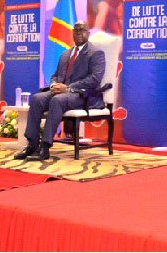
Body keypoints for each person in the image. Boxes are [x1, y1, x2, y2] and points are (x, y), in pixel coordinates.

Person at [14, 21, 106, 161]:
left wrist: (68, 88)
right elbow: (55, 75)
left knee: (57, 100)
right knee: (37, 99)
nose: (79, 33)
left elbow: (94, 79)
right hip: (61, 92)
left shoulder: (96, 53)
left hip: (82, 95)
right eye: (76, 30)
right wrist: (53, 85)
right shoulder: (65, 54)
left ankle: (45, 147)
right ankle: (32, 144)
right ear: (72, 33)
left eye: (82, 30)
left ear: (88, 33)